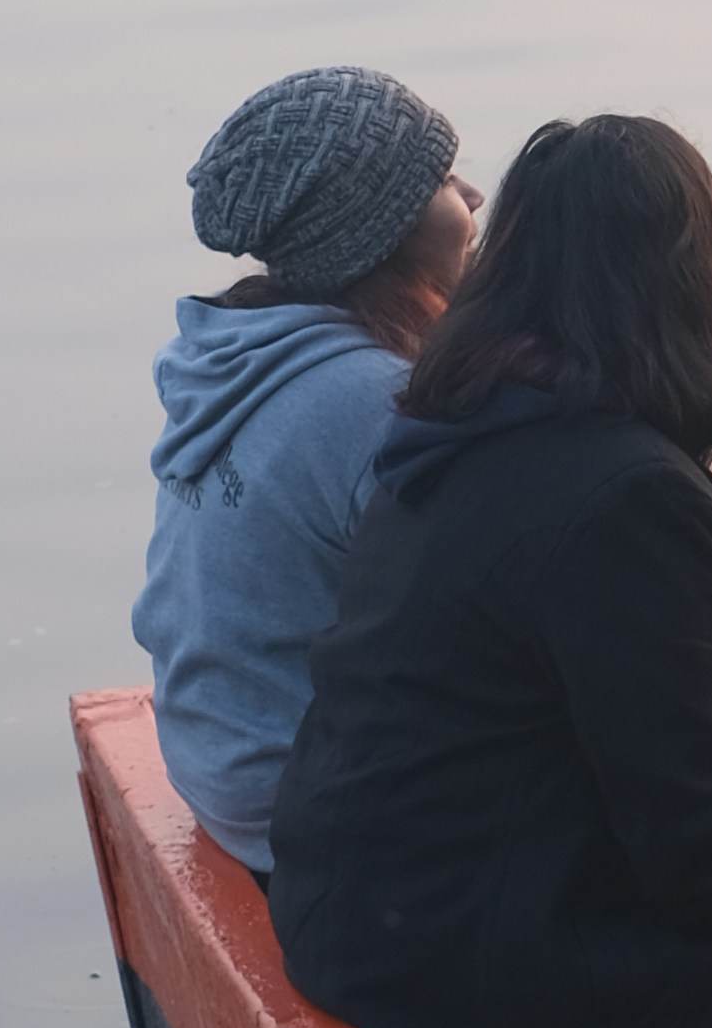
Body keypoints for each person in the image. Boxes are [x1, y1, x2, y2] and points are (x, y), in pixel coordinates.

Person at [268, 117, 712, 1028]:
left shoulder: (461, 416)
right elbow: (703, 860)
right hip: (474, 996)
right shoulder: (626, 493)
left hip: (362, 917)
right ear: (686, 275)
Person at [138, 63, 476, 870]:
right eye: (438, 178)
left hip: (224, 765)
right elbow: (486, 633)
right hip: (306, 807)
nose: (472, 195)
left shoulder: (234, 348)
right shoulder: (375, 398)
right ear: (380, 230)